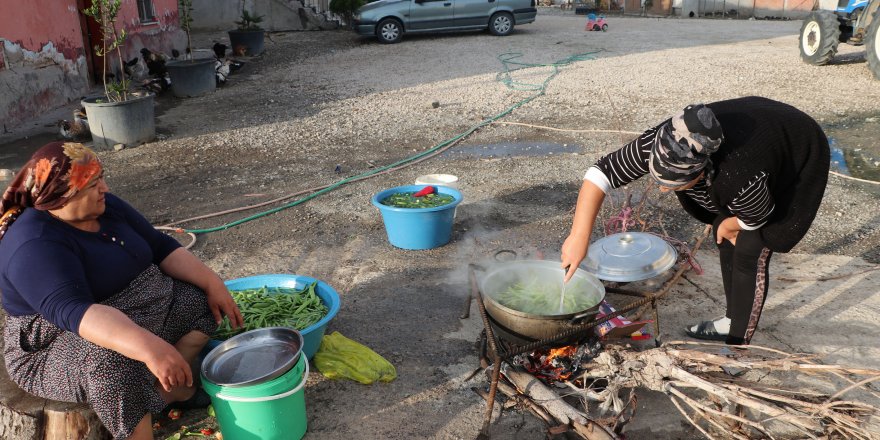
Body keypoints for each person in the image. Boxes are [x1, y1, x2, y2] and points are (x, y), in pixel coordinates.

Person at [0, 142, 244, 439]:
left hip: (131, 307)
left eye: (101, 176)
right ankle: (138, 430)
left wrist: (212, 282)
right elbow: (74, 311)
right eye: (91, 184)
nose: (104, 188)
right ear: (60, 196)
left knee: (198, 301)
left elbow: (159, 246)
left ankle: (169, 392)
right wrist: (152, 348)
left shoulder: (105, 206)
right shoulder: (33, 244)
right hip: (54, 343)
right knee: (111, 363)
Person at [560, 96, 830, 345]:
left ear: (702, 171)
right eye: (659, 180)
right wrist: (578, 236)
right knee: (722, 234)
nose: (663, 190)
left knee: (751, 249)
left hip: (797, 150)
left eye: (673, 184)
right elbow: (600, 174)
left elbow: (759, 215)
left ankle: (738, 347)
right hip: (752, 142)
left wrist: (731, 223)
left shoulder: (738, 177)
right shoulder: (662, 141)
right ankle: (730, 320)